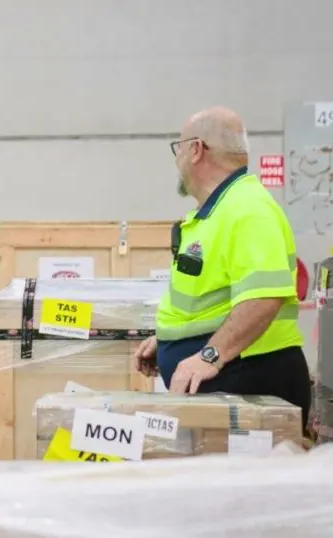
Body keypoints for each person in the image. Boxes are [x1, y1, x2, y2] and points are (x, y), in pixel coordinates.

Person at [133, 106, 312, 431]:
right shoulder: (219, 212)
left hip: (251, 381)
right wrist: (170, 338)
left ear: (196, 149)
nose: (177, 162)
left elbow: (264, 297)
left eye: (179, 149)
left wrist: (209, 355)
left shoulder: (248, 210)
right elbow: (212, 299)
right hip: (233, 379)